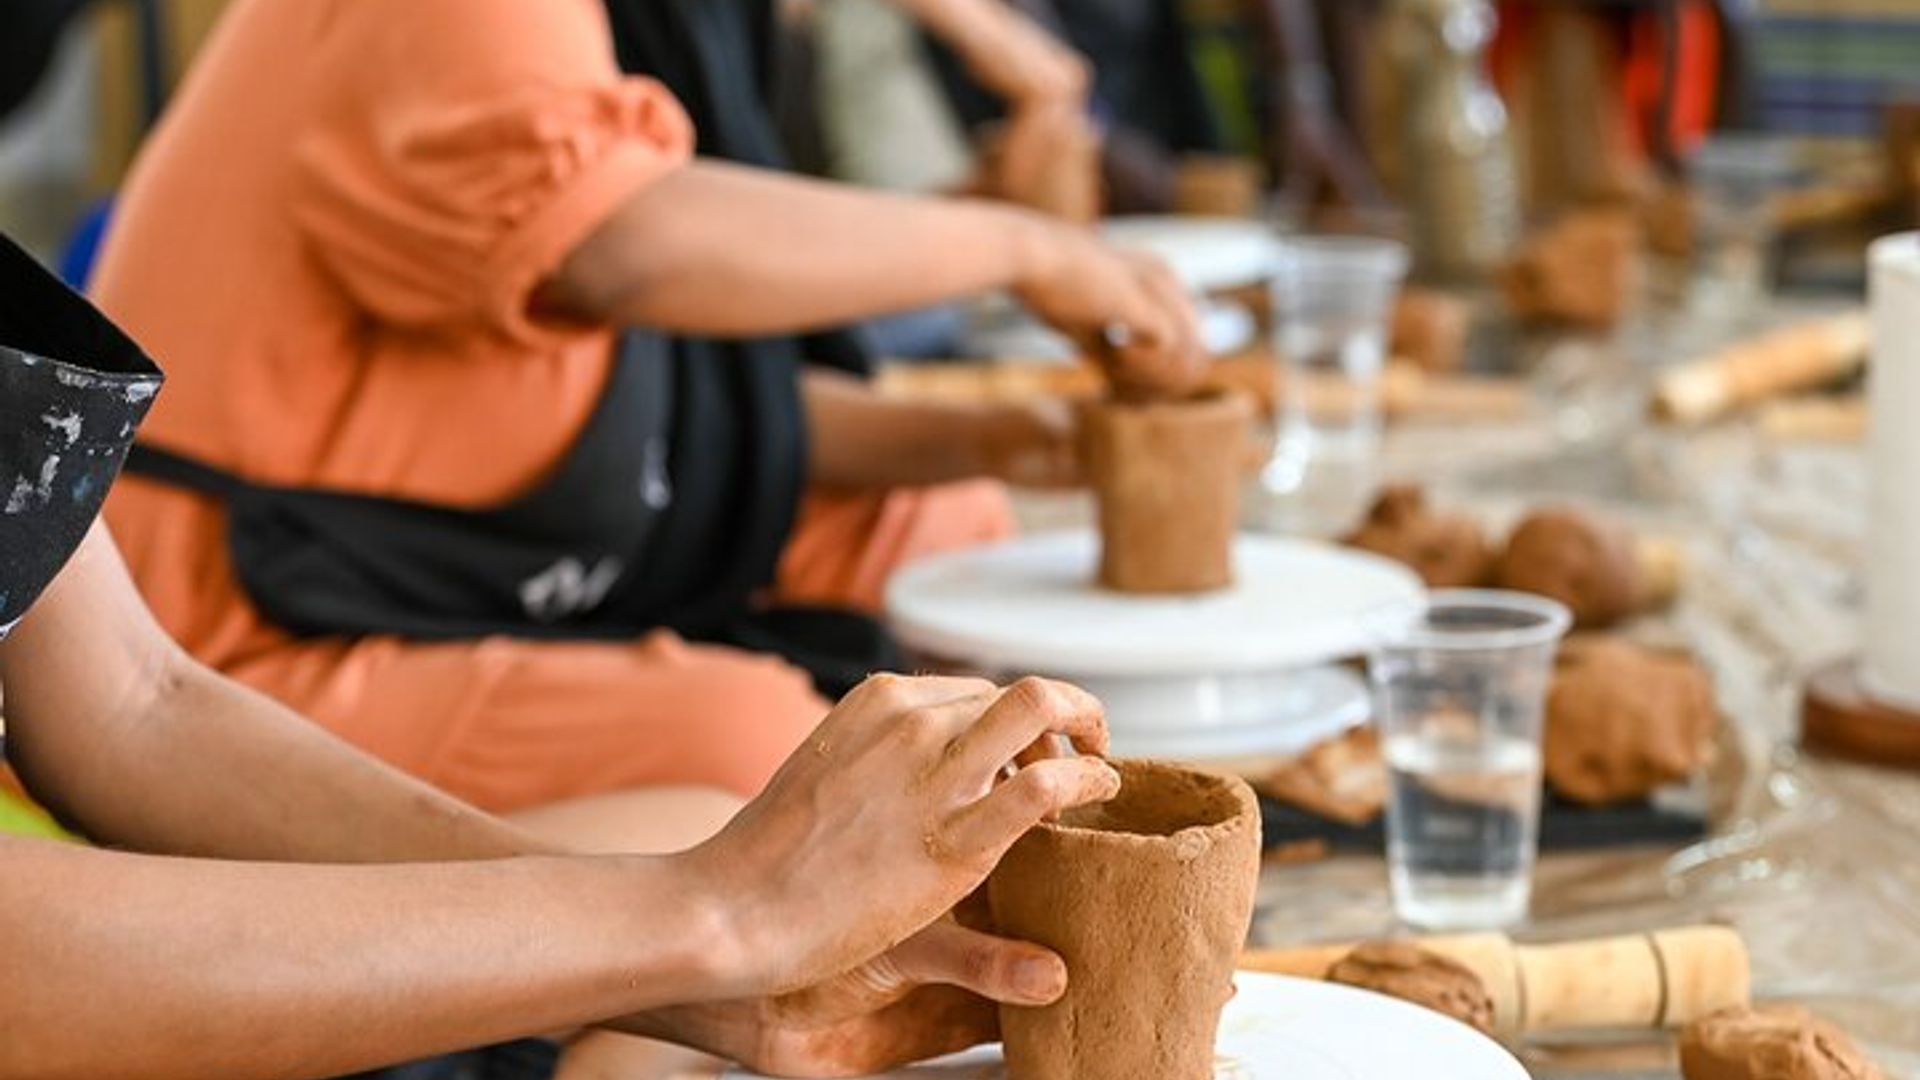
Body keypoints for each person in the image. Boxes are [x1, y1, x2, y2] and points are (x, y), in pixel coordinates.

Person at [0, 229, 1120, 1077]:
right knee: (749, 751)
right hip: (262, 644)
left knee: (711, 828)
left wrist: (717, 985)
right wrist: (710, 915)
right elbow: (629, 249)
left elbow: (136, 706)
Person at [97, 0, 1202, 816]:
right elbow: (619, 245)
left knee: (932, 521)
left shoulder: (664, 27)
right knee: (773, 753)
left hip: (487, 540)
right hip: (218, 643)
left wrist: (999, 439)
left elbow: (688, 416)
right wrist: (1025, 249)